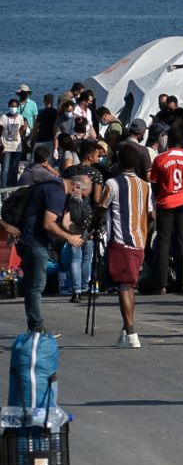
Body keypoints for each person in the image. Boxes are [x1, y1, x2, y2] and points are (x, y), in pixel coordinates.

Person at [14, 172, 86, 332]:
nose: (81, 199)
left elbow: (66, 222)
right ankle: (37, 327)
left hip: (34, 241)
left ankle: (34, 325)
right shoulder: (56, 192)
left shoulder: (62, 192)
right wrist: (69, 238)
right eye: (82, 194)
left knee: (33, 284)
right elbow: (49, 223)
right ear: (76, 187)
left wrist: (80, 232)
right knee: (36, 285)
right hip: (33, 241)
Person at [101, 145, 155, 348]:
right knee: (129, 286)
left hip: (120, 241)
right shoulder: (145, 186)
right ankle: (126, 331)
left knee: (124, 286)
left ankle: (132, 332)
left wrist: (89, 230)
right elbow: (151, 214)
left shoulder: (112, 184)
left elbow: (101, 207)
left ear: (118, 162)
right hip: (139, 241)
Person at [150, 129, 183, 294]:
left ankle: (162, 283)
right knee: (182, 241)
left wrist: (160, 196)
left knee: (163, 242)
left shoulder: (160, 159)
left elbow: (154, 184)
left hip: (165, 203)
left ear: (168, 141)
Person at [61, 141, 105, 302]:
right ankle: (85, 287)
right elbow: (97, 199)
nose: (98, 157)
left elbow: (63, 191)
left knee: (75, 256)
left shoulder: (68, 171)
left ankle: (76, 290)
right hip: (88, 216)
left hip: (71, 215)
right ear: (89, 155)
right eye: (97, 154)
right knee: (87, 254)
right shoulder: (95, 174)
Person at [1, 99, 28, 187]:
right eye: (11, 106)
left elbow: (20, 133)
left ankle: (13, 187)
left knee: (14, 169)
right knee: (5, 169)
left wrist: (23, 129)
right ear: (8, 106)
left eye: (15, 106)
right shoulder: (3, 117)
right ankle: (3, 189)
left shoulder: (20, 118)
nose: (13, 108)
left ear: (18, 107)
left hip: (17, 148)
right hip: (6, 147)